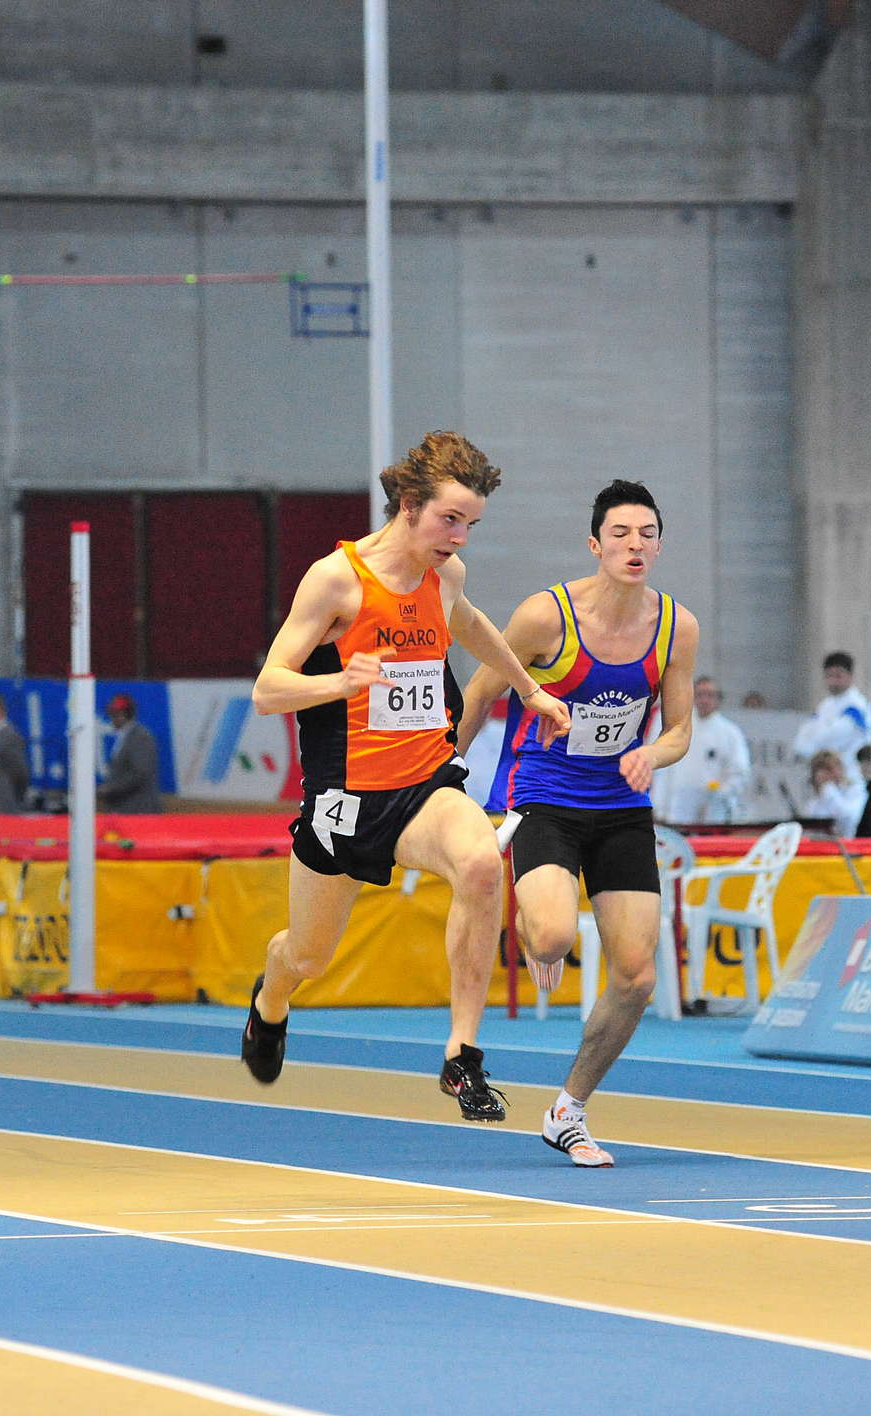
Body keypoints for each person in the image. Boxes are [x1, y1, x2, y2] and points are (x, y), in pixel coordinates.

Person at [241, 430, 570, 1120]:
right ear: (410, 506)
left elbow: (471, 624)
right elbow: (268, 690)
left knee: (480, 863)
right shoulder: (336, 580)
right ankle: (270, 1002)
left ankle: (462, 1055)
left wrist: (530, 689)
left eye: (471, 524)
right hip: (345, 798)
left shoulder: (444, 575)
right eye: (450, 520)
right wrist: (340, 683)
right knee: (308, 958)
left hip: (425, 782)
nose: (460, 538)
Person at [458, 479, 700, 1166]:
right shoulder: (546, 617)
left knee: (637, 977)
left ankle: (569, 1109)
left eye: (647, 534)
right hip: (543, 795)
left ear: (659, 546)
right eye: (620, 534)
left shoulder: (676, 627)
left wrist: (651, 754)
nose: (634, 545)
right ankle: (533, 925)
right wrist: (446, 776)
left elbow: (680, 729)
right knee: (554, 935)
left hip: (621, 807)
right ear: (595, 545)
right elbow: (481, 691)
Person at [650, 676, 751, 825]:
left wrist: (718, 797)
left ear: (718, 699)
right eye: (700, 695)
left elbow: (739, 773)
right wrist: (657, 804)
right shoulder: (675, 724)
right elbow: (658, 766)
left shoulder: (731, 733)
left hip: (712, 815)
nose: (704, 700)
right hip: (675, 811)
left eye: (710, 695)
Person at [792, 651, 871, 781]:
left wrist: (817, 741)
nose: (833, 681)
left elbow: (833, 736)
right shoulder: (825, 705)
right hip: (826, 774)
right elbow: (802, 740)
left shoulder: (857, 705)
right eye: (829, 676)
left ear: (850, 676)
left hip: (852, 774)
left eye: (838, 676)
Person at [97, 693, 162, 813]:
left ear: (122, 715)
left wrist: (110, 788)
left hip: (138, 810)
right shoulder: (126, 737)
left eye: (113, 715)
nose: (111, 719)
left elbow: (140, 773)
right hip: (126, 808)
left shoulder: (140, 737)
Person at [800, 749, 867, 839]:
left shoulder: (855, 790)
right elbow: (809, 829)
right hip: (822, 844)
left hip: (849, 842)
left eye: (830, 769)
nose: (827, 774)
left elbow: (847, 817)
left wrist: (828, 788)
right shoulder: (814, 802)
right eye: (821, 770)